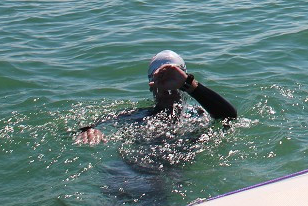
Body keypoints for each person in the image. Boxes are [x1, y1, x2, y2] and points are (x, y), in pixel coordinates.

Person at [75, 50, 237, 144]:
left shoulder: (199, 115)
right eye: (159, 79)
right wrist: (89, 131)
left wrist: (188, 84)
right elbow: (79, 129)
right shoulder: (134, 116)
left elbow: (229, 117)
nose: (167, 87)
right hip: (129, 171)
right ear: (150, 84)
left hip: (171, 176)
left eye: (172, 79)